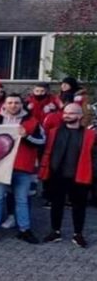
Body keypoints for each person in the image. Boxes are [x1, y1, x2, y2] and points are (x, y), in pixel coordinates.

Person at [0, 94, 43, 244]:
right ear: (4, 105)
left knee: (22, 200)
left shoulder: (32, 121)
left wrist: (26, 136)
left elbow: (42, 141)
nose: (13, 105)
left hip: (22, 166)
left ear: (21, 105)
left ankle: (24, 230)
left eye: (17, 103)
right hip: (1, 166)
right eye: (10, 102)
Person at [40, 103, 96, 248]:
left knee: (79, 206)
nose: (66, 115)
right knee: (56, 205)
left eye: (71, 113)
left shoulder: (90, 135)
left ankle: (78, 234)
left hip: (79, 175)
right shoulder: (53, 132)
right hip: (56, 175)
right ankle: (55, 231)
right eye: (65, 113)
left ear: (79, 116)